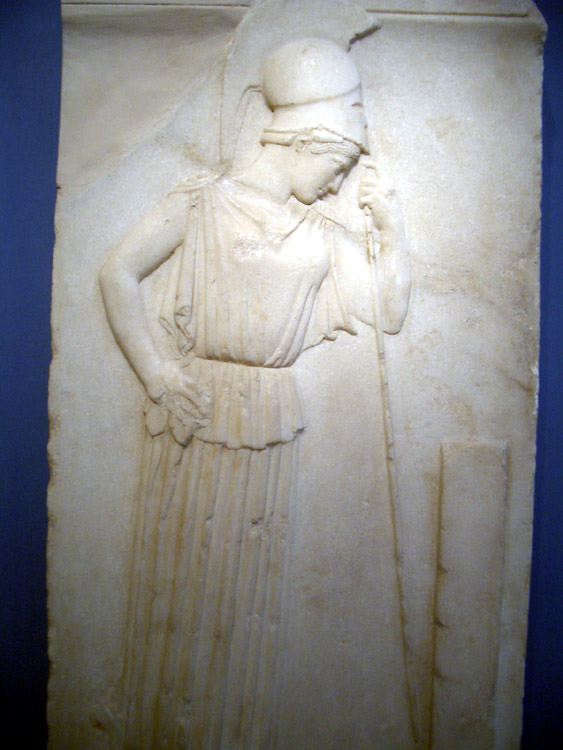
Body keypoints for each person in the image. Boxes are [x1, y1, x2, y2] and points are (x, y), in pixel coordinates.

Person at [98, 38, 411, 750]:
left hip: (267, 413)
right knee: (179, 583)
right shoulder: (201, 202)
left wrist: (392, 230)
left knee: (244, 597)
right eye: (336, 165)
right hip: (196, 404)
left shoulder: (320, 232)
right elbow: (117, 272)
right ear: (306, 141)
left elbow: (388, 311)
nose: (336, 184)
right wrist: (155, 372)